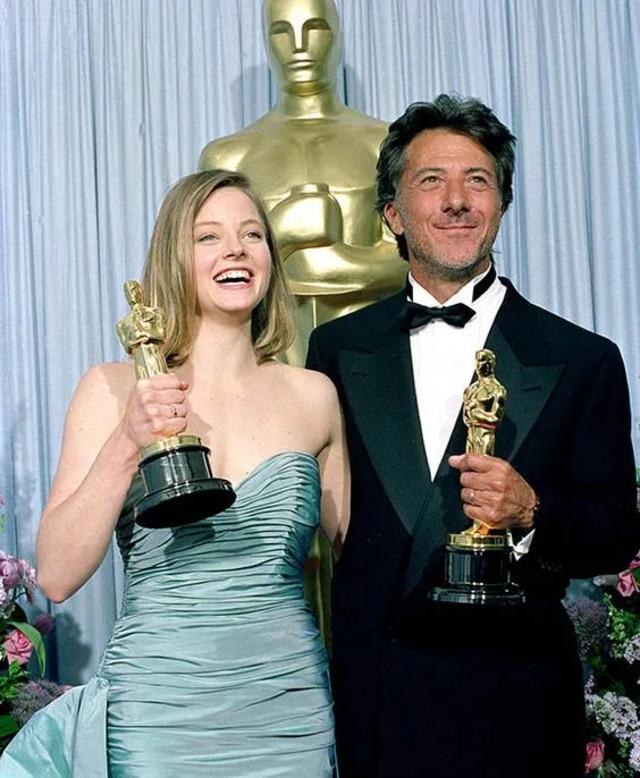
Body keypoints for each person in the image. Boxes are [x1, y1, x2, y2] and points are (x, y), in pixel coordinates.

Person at [306, 94, 640, 777]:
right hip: (379, 702)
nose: (456, 200)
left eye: (477, 180)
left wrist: (532, 513)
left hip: (515, 708)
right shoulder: (336, 349)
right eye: (432, 181)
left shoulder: (582, 358)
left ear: (501, 204)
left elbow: (614, 533)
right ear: (394, 213)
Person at [1, 169, 348, 777]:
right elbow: (55, 575)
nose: (235, 249)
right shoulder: (111, 388)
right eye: (208, 237)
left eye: (251, 234)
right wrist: (128, 439)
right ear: (174, 258)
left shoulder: (313, 395)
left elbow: (363, 557)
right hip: (159, 715)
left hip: (289, 712)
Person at [199, 0, 405, 365]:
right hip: (269, 359)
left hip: (373, 353)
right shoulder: (227, 156)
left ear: (337, 36)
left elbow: (416, 260)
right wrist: (283, 233)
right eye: (281, 32)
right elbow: (204, 268)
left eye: (315, 28)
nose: (298, 46)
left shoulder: (385, 142)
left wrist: (331, 263)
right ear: (266, 42)